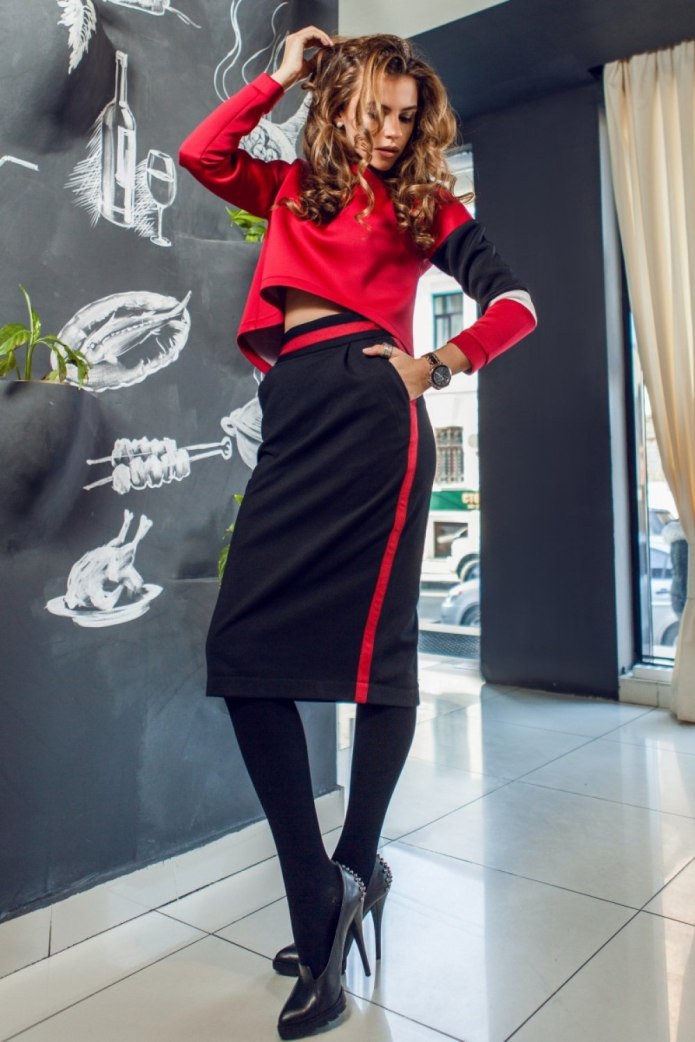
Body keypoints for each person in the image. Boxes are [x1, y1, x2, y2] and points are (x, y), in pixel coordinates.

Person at [179, 25, 537, 1039]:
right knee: (241, 654)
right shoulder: (294, 190)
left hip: (375, 411)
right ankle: (324, 889)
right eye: (374, 111)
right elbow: (202, 153)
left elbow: (515, 303)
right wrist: (281, 74)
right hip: (293, 406)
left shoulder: (424, 205)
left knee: (380, 656)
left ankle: (344, 871)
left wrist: (439, 363)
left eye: (405, 117)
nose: (389, 132)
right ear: (336, 107)